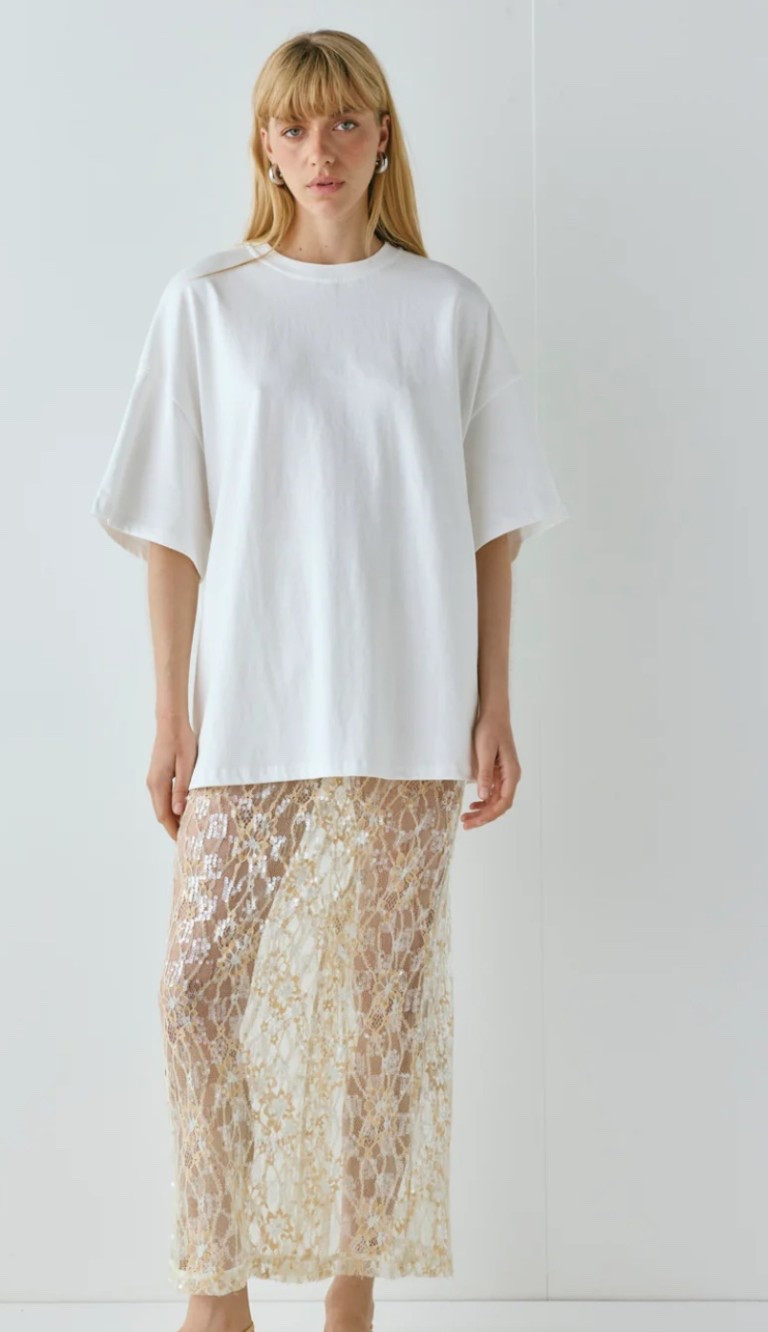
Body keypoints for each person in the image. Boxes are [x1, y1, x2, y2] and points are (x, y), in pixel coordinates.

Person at [90, 27, 568, 1332]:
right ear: (264, 144)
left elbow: (493, 529)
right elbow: (172, 532)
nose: (321, 150)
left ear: (384, 137)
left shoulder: (449, 310)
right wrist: (171, 717)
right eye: (295, 127)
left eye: (346, 122)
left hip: (408, 709)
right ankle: (218, 1291)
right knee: (197, 990)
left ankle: (351, 1296)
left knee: (379, 1012)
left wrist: (494, 703)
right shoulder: (210, 304)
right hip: (252, 707)